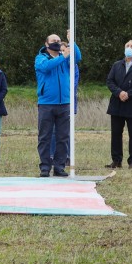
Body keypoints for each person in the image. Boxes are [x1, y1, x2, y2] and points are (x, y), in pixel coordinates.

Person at [35, 32, 82, 177]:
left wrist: (71, 41)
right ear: (46, 44)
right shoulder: (41, 58)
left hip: (64, 103)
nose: (56, 42)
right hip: (46, 104)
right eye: (53, 41)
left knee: (63, 137)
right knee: (45, 136)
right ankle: (44, 167)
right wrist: (63, 56)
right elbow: (47, 67)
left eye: (59, 40)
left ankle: (59, 166)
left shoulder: (66, 59)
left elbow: (78, 57)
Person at [105, 40, 132, 170]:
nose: (129, 48)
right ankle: (116, 160)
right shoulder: (117, 65)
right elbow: (110, 81)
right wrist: (119, 92)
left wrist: (128, 94)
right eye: (127, 46)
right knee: (116, 134)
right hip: (117, 104)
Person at [49, 38, 79, 167]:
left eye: (64, 50)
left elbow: (73, 83)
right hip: (53, 102)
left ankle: (67, 156)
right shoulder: (52, 62)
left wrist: (71, 40)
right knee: (53, 131)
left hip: (67, 102)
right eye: (60, 50)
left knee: (66, 131)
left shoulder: (72, 65)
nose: (62, 52)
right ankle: (52, 155)